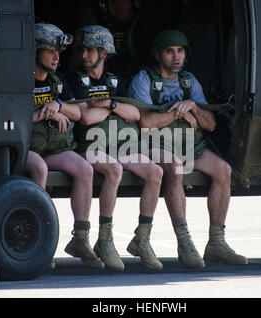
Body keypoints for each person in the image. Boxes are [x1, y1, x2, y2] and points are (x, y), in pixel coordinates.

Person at [129, 29, 248, 269]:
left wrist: (193, 104)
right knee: (174, 168)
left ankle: (216, 242)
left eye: (180, 51)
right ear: (158, 55)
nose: (176, 56)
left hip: (190, 144)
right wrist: (178, 112)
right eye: (170, 51)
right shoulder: (144, 79)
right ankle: (184, 241)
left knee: (224, 170)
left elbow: (210, 124)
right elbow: (145, 122)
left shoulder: (189, 81)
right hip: (154, 144)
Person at [67, 25, 163, 271]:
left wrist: (108, 104)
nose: (84, 55)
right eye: (82, 50)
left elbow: (134, 114)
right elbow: (85, 118)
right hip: (88, 145)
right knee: (114, 170)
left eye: (91, 50)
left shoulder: (114, 80)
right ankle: (104, 239)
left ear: (104, 53)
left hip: (119, 144)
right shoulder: (74, 80)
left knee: (155, 173)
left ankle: (142, 238)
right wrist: (112, 109)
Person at [30, 22, 104, 269]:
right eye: (50, 51)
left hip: (55, 148)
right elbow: (8, 115)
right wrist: (44, 112)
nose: (56, 57)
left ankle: (81, 238)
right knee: (39, 169)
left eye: (58, 52)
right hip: (27, 150)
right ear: (36, 51)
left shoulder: (57, 80)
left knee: (85, 169)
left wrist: (59, 107)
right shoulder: (20, 79)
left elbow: (80, 111)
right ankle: (39, 241)